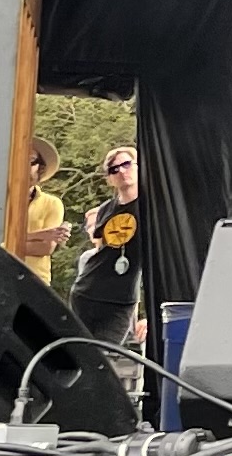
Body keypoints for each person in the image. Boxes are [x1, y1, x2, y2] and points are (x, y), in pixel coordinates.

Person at [71, 146, 149, 366]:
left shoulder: (151, 208)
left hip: (121, 301)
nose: (122, 171)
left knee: (102, 363)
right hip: (87, 293)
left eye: (127, 164)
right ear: (110, 179)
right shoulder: (106, 209)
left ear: (137, 167)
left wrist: (147, 314)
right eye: (114, 169)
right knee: (78, 359)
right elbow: (100, 249)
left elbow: (156, 266)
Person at [18, 136, 69, 280]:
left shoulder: (52, 203)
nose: (23, 165)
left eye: (30, 160)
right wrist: (37, 236)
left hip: (35, 280)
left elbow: (45, 248)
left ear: (40, 167)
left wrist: (5, 245)